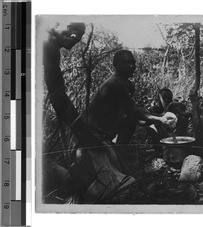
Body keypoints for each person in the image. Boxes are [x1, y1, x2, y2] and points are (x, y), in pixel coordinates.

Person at [43, 23, 132, 203]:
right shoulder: (46, 40)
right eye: (72, 30)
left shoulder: (51, 45)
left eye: (80, 35)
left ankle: (56, 172)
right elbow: (57, 95)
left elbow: (57, 92)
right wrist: (83, 133)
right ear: (58, 22)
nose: (75, 38)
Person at [87, 50, 177, 168]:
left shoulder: (126, 84)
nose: (131, 66)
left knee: (131, 120)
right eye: (125, 62)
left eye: (133, 63)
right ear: (115, 65)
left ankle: (118, 150)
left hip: (106, 135)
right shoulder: (115, 83)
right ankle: (116, 153)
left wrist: (156, 118)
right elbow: (133, 111)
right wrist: (160, 118)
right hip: (92, 137)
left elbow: (134, 115)